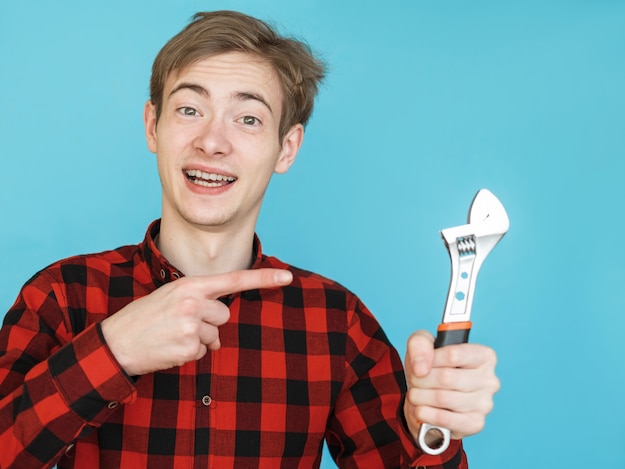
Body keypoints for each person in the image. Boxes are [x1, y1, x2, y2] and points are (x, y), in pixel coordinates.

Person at [0, 10, 499, 469]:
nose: (212, 142)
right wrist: (113, 352)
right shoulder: (60, 297)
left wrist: (427, 428)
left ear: (287, 148)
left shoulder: (337, 321)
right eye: (190, 109)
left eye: (248, 119)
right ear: (153, 126)